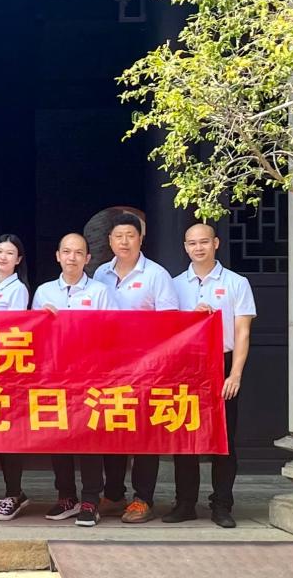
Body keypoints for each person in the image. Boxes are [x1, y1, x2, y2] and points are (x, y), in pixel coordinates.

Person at [165, 223, 256, 529]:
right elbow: (167, 330)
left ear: (216, 243)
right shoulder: (174, 285)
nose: (198, 248)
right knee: (184, 435)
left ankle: (222, 504)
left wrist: (235, 374)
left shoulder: (236, 282)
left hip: (222, 363)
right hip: (185, 366)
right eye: (192, 243)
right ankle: (185, 503)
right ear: (185, 247)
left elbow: (243, 332)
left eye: (204, 242)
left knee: (223, 439)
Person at [92, 211, 179, 524]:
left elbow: (170, 322)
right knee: (113, 428)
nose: (124, 242)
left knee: (143, 433)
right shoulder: (100, 273)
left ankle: (143, 498)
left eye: (130, 235)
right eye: (119, 236)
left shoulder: (156, 275)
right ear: (110, 241)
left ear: (141, 239)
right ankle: (114, 494)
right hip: (109, 367)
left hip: (146, 367)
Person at [30, 232, 115, 527]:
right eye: (66, 251)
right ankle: (66, 496)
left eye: (78, 252)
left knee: (89, 435)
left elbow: (112, 331)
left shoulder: (101, 292)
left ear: (87, 258)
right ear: (58, 256)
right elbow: (32, 335)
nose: (72, 257)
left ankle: (90, 499)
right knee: (59, 434)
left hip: (90, 373)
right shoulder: (44, 292)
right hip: (54, 372)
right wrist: (42, 319)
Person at [0, 234, 33, 522]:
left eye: (10, 253)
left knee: (9, 433)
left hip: (7, 370)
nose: (3, 256)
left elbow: (11, 329)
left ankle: (14, 492)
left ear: (19, 259)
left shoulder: (18, 289)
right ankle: (12, 491)